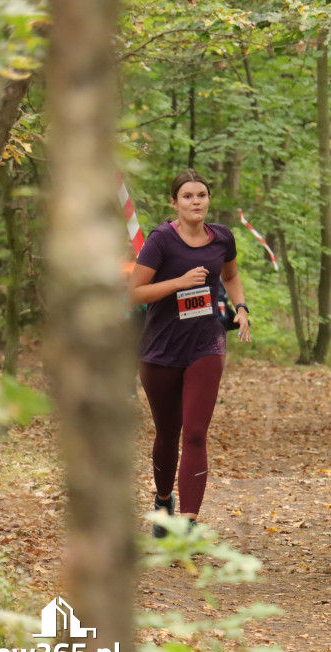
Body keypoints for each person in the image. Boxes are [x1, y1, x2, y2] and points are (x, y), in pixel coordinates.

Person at [128, 169, 251, 537]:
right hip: (161, 348)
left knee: (196, 432)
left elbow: (230, 276)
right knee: (168, 433)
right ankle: (164, 502)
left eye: (201, 195)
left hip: (206, 343)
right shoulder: (161, 241)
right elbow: (134, 292)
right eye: (188, 196)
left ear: (208, 199)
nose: (196, 201)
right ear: (175, 203)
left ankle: (189, 522)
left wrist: (242, 308)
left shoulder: (222, 238)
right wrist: (179, 283)